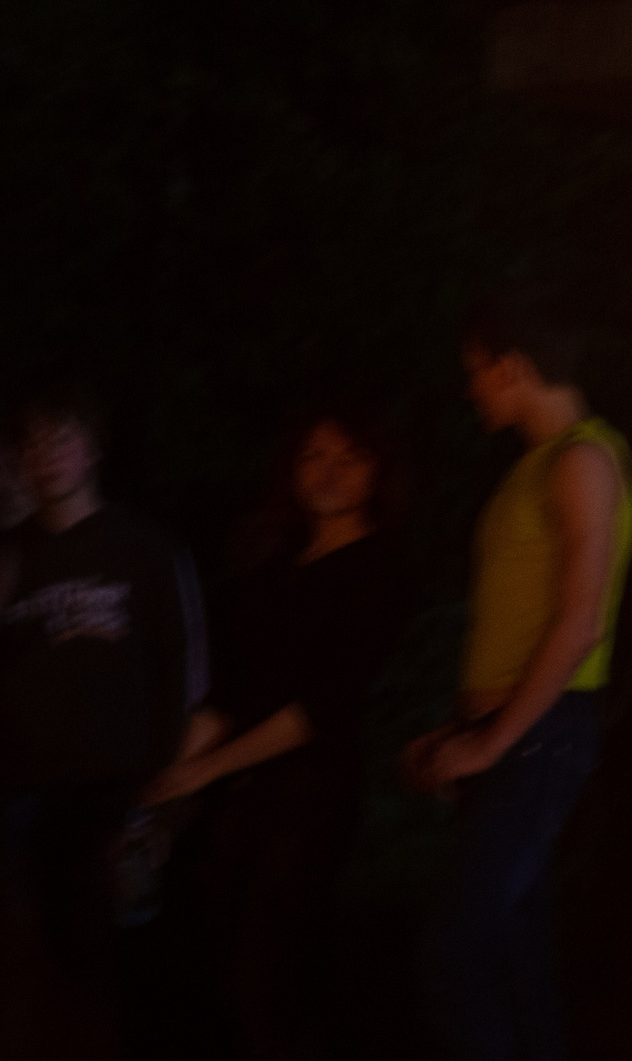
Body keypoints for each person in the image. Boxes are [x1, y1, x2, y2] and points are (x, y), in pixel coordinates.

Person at [403, 293, 632, 1061]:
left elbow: (580, 623)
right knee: (511, 946)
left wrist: (489, 743)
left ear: (512, 367)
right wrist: (463, 733)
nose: (471, 387)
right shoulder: (538, 466)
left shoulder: (582, 458)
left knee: (456, 949)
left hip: (542, 733)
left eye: (476, 371)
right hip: (519, 730)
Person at [144, 408, 412, 1060]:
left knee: (266, 974)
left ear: (376, 471)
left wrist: (205, 770)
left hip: (309, 795)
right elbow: (233, 692)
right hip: (245, 792)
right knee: (214, 963)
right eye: (313, 455)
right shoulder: (277, 566)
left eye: (349, 457)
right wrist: (164, 778)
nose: (328, 471)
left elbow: (315, 709)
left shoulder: (376, 567)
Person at [0, 383, 208, 1058]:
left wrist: (167, 800)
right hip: (24, 792)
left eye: (61, 439)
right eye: (32, 444)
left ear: (91, 448)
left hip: (115, 791)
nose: (46, 456)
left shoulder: (146, 547)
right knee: (31, 969)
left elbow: (187, 672)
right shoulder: (12, 555)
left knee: (114, 976)